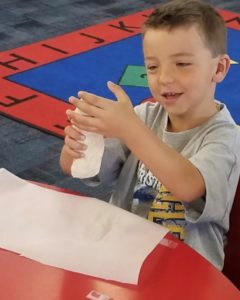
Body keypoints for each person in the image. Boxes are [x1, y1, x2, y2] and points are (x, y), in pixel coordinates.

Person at [60, 0, 240, 270]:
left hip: (188, 272)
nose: (164, 77)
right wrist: (76, 147)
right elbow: (81, 170)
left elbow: (189, 186)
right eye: (153, 67)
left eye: (182, 63)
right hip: (124, 254)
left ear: (219, 69)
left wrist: (131, 130)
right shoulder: (143, 116)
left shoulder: (226, 137)